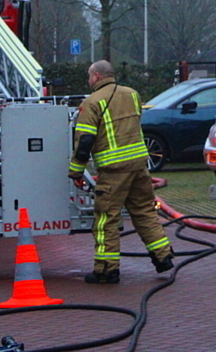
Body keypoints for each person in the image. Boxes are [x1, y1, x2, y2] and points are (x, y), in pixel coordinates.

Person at [68, 60, 174, 284]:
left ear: (96, 76)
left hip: (114, 170)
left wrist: (76, 171)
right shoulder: (133, 95)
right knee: (145, 211)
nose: (89, 81)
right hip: (139, 166)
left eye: (89, 77)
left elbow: (85, 141)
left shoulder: (92, 102)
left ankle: (106, 269)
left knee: (107, 218)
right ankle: (163, 257)